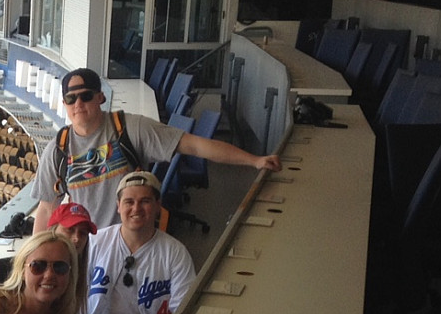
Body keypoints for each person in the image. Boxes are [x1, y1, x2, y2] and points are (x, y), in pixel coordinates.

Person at [32, 67, 281, 230]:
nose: (78, 103)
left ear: (100, 97)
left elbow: (194, 145)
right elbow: (46, 208)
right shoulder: (58, 150)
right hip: (88, 247)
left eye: (85, 96)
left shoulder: (130, 128)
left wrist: (254, 160)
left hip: (134, 242)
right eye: (70, 98)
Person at [70, 171, 197, 314]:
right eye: (129, 202)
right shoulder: (96, 242)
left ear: (158, 205)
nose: (136, 209)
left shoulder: (175, 252)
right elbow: (72, 294)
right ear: (118, 205)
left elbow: (182, 310)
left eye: (145, 201)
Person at [47, 201, 98, 278]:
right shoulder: (39, 266)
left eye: (83, 233)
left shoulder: (88, 270)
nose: (76, 238)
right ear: (52, 231)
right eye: (69, 230)